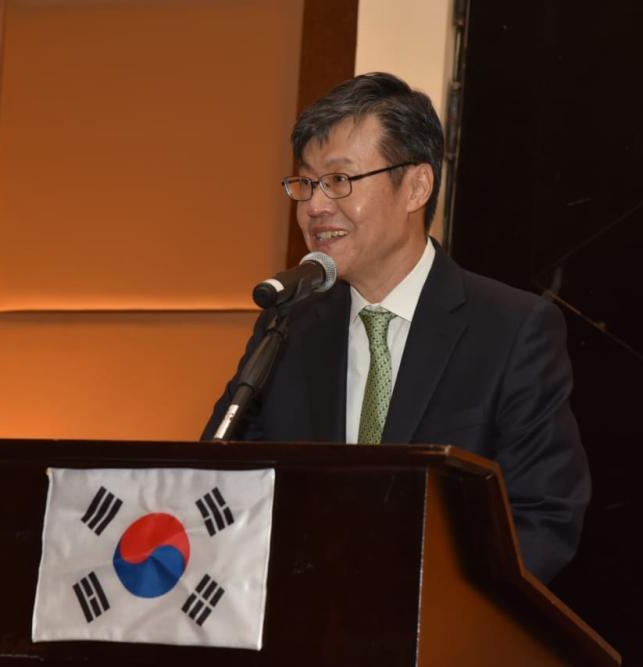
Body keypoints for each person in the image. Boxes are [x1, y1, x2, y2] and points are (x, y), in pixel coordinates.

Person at [202, 72, 590, 583]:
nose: (315, 206)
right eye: (306, 183)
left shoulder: (512, 330)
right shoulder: (289, 325)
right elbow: (218, 486)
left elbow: (543, 516)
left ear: (416, 186)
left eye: (340, 180)